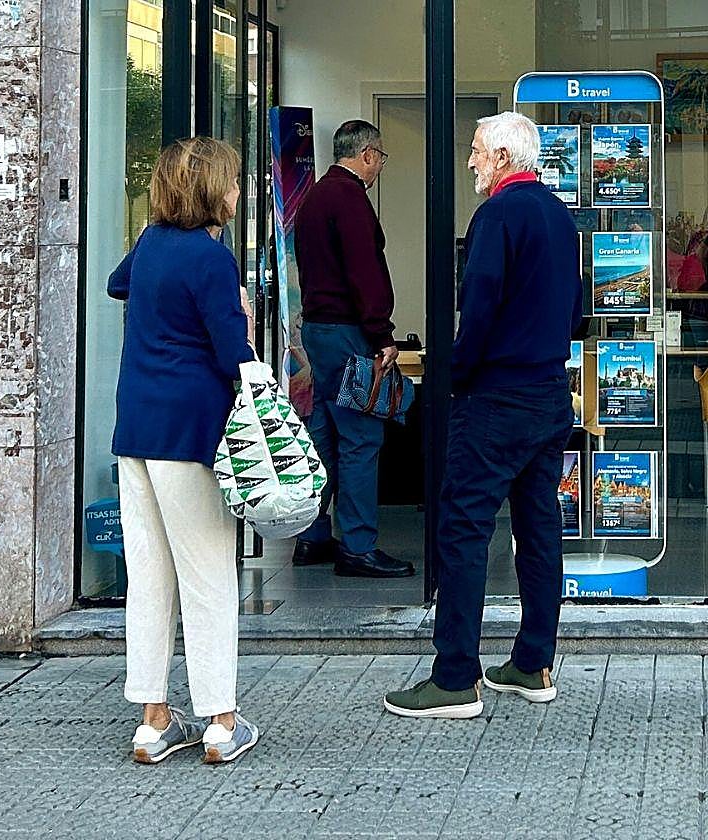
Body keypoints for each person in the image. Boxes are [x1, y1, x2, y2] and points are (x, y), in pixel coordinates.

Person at [384, 111, 581, 719]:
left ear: (500, 157)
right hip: (549, 391)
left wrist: (454, 377)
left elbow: (479, 309)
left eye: (475, 150)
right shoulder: (559, 216)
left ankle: (455, 677)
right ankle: (533, 664)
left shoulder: (496, 215)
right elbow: (575, 314)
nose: (469, 160)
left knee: (463, 529)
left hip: (495, 398)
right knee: (539, 528)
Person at [108, 136, 260, 765]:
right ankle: (221, 721)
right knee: (206, 575)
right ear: (210, 192)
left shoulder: (149, 246)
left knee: (147, 576)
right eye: (230, 182)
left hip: (135, 428)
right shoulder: (210, 258)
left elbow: (119, 283)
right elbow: (232, 351)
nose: (238, 191)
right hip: (189, 431)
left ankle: (152, 720)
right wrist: (244, 328)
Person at [290, 119, 414, 578]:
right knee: (362, 437)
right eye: (380, 156)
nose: (380, 165)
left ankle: (312, 534)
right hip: (348, 334)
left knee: (322, 432)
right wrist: (382, 335)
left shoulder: (313, 197)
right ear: (365, 154)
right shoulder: (351, 200)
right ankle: (359, 545)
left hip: (317, 332)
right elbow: (364, 272)